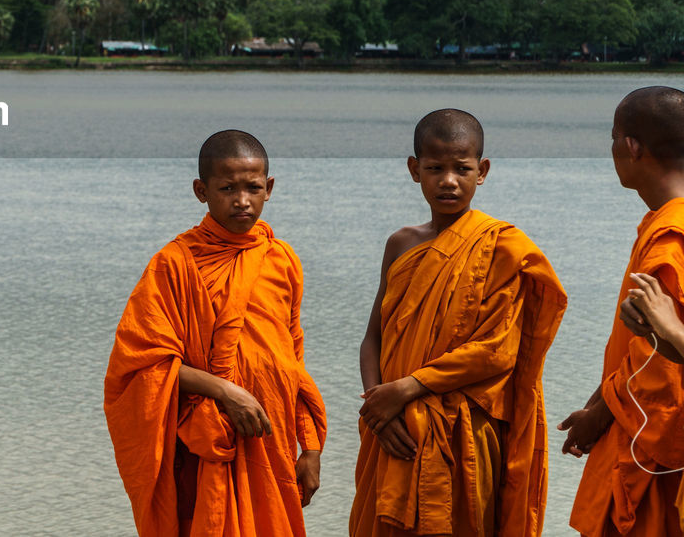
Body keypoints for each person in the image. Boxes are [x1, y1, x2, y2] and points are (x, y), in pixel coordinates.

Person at [350, 109, 567, 537]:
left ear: (481, 171)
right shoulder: (401, 244)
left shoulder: (504, 247)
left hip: (466, 429)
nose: (448, 180)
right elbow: (374, 335)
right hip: (392, 426)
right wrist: (378, 410)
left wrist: (407, 388)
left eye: (461, 169)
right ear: (415, 170)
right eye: (435, 169)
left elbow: (496, 351)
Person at [103, 129, 327, 536]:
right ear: (201, 191)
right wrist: (225, 392)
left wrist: (309, 445)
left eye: (253, 187)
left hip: (269, 436)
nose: (242, 200)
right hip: (208, 443)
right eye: (227, 188)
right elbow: (139, 365)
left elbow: (292, 361)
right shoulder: (174, 264)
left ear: (269, 188)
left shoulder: (282, 259)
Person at [563, 86, 684, 536]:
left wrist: (600, 414)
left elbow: (660, 360)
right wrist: (596, 402)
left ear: (631, 146)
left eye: (613, 137)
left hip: (651, 447)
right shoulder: (666, 222)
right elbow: (642, 343)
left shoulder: (669, 238)